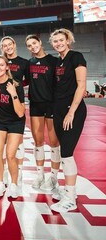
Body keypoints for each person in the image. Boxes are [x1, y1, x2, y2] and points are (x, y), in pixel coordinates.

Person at [49, 28, 87, 213]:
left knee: (67, 153)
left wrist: (71, 112)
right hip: (58, 110)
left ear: (68, 40)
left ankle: (70, 197)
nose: (58, 43)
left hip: (73, 110)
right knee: (64, 151)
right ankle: (69, 191)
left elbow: (81, 85)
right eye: (55, 41)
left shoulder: (76, 57)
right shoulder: (58, 62)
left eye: (61, 40)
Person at [25, 35, 60, 191]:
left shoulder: (54, 61)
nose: (32, 46)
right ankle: (40, 175)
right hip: (35, 106)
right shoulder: (29, 63)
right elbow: (23, 81)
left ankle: (53, 178)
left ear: (40, 42)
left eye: (34, 43)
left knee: (54, 142)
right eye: (29, 45)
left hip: (52, 105)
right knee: (38, 142)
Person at [0, 55, 25, 199]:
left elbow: (20, 112)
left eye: (1, 65)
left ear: (7, 67)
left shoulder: (15, 84)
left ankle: (14, 184)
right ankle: (0, 183)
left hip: (15, 122)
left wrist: (13, 94)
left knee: (10, 155)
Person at [0, 36, 28, 186]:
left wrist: (16, 88)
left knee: (18, 141)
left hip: (16, 100)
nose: (8, 47)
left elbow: (27, 80)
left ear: (14, 44)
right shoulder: (0, 62)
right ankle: (5, 170)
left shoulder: (24, 62)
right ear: (2, 48)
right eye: (5, 45)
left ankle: (20, 169)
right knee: (3, 141)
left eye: (9, 44)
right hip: (2, 103)